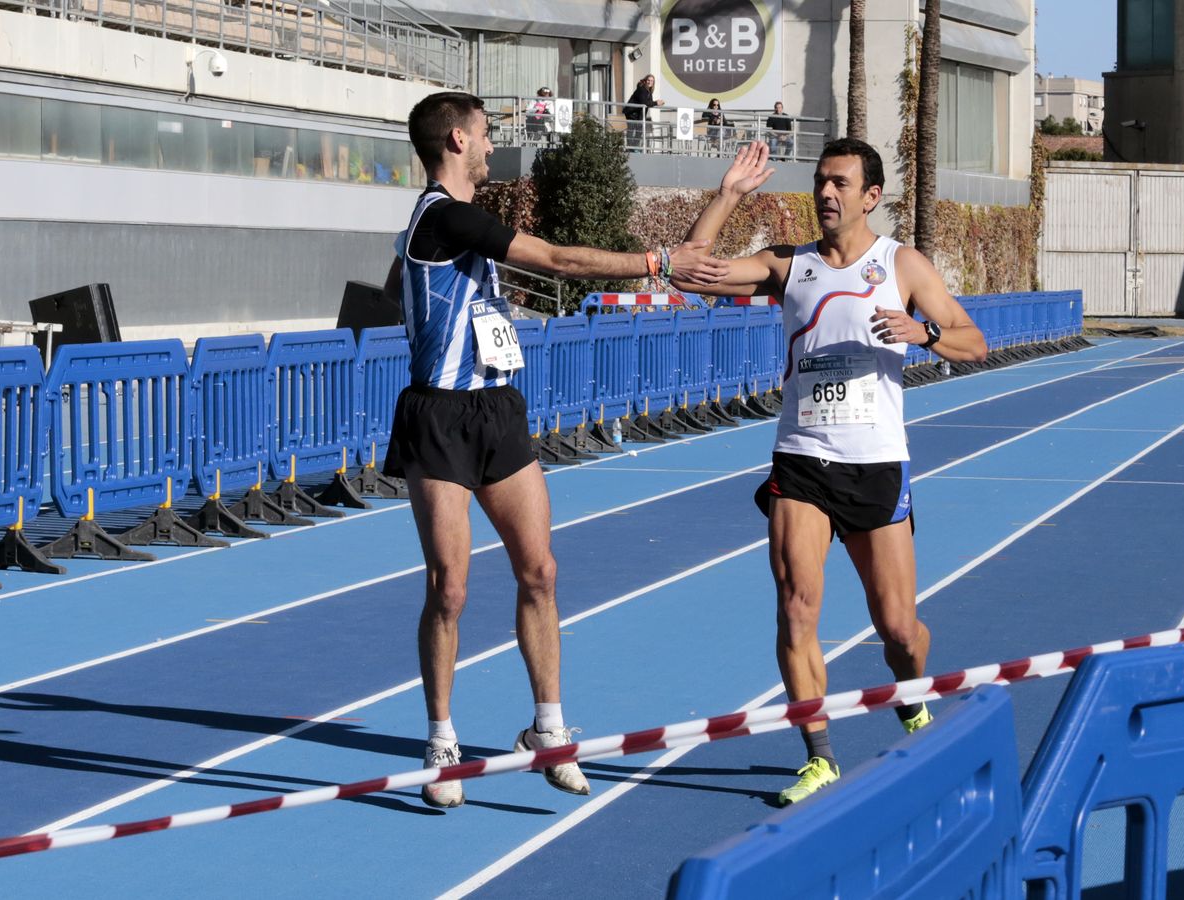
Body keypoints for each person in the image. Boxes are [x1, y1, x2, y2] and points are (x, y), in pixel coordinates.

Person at [381, 91, 728, 809]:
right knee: (450, 587)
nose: (490, 146)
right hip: (440, 418)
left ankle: (548, 729)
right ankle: (442, 737)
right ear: (455, 140)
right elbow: (557, 259)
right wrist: (657, 259)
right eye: (484, 136)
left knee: (540, 570)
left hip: (497, 410)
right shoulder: (441, 216)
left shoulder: (466, 222)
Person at [670, 139, 987, 806]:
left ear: (870, 196)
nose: (826, 194)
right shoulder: (790, 266)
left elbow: (974, 341)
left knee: (899, 630)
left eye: (840, 183)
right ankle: (818, 758)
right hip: (802, 458)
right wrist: (728, 193)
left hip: (875, 464)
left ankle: (912, 697)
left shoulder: (900, 263)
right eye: (820, 183)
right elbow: (686, 275)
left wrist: (921, 333)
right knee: (795, 610)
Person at [624, 74, 662, 149]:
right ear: (645, 81)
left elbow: (649, 103)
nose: (650, 82)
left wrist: (656, 103)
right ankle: (630, 148)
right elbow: (644, 102)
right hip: (631, 113)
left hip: (639, 115)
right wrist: (656, 103)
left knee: (639, 131)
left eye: (652, 81)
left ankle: (633, 147)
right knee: (631, 131)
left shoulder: (649, 92)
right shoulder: (641, 89)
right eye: (648, 80)